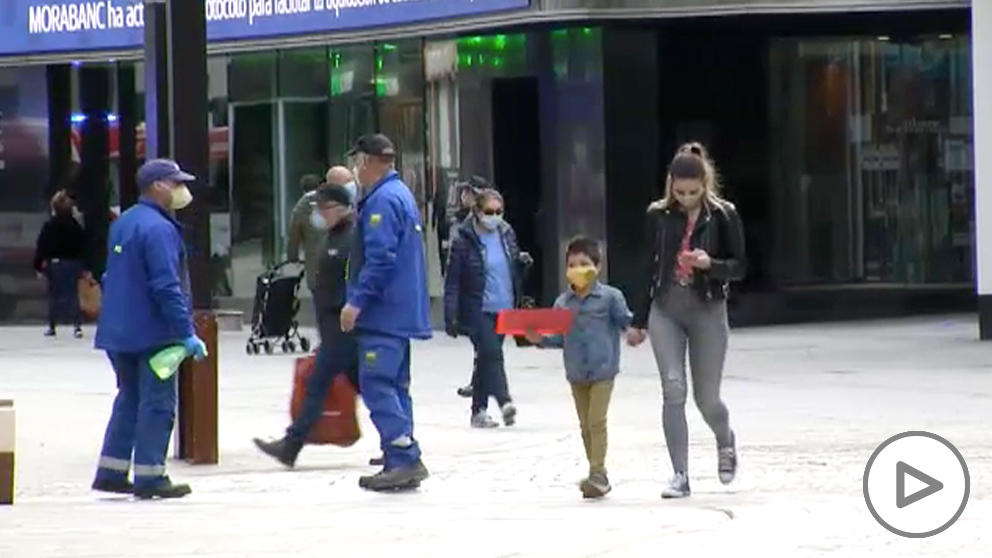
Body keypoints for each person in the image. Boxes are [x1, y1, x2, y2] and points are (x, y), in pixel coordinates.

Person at [626, 142, 747, 499]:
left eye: (694, 192)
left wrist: (711, 265)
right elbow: (646, 268)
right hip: (667, 310)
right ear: (670, 186)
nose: (687, 198)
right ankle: (680, 474)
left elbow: (741, 267)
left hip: (707, 309)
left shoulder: (724, 214)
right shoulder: (658, 216)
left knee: (707, 398)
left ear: (705, 184)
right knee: (673, 388)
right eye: (680, 192)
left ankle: (725, 441)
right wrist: (639, 320)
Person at [91, 159, 207, 500]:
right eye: (175, 183)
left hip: (118, 331)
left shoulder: (124, 223)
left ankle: (111, 471)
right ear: (158, 186)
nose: (181, 190)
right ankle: (150, 476)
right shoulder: (159, 229)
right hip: (154, 334)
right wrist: (185, 332)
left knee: (129, 398)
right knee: (157, 403)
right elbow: (166, 286)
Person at [342, 133, 432, 492]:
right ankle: (398, 453)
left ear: (367, 161)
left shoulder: (381, 202)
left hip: (382, 313)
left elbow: (380, 260)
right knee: (396, 384)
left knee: (377, 383)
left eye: (357, 162)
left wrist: (356, 302)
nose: (355, 170)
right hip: (400, 311)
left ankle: (404, 456)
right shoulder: (400, 195)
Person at [252, 182, 361, 466]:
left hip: (342, 327)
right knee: (367, 385)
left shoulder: (349, 239)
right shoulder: (335, 236)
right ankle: (398, 438)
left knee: (318, 382)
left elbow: (353, 283)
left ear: (339, 208)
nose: (320, 215)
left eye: (324, 209)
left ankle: (292, 444)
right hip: (334, 327)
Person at [525, 235, 633, 499]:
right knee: (585, 424)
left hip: (603, 370)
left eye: (584, 263)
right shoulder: (562, 303)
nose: (577, 269)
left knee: (597, 420)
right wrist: (538, 339)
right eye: (572, 265)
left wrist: (633, 331)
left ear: (597, 266)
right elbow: (556, 338)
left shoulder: (610, 298)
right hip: (575, 372)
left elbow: (626, 321)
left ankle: (598, 471)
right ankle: (596, 471)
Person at [444, 189, 527, 428]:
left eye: (499, 212)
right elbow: (453, 280)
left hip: (505, 306)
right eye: (489, 212)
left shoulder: (506, 234)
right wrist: (451, 315)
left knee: (485, 359)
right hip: (477, 308)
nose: (495, 216)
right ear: (477, 212)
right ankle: (505, 401)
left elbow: (510, 270)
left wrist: (521, 265)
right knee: (492, 354)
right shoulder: (463, 240)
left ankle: (478, 411)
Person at [33, 190, 88, 338]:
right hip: (73, 263)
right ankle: (77, 326)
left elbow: (42, 246)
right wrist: (85, 266)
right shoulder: (76, 226)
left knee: (54, 294)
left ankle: (52, 325)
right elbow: (83, 245)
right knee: (73, 294)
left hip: (55, 263)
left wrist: (38, 265)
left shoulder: (49, 226)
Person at [286, 173, 329, 295]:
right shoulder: (330, 200)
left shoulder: (300, 207)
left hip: (314, 260)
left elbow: (294, 235)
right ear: (321, 185)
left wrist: (292, 256)